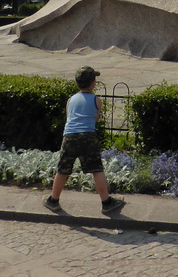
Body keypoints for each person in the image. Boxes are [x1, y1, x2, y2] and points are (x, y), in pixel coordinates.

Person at [43, 65, 124, 215]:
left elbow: (69, 117)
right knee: (96, 170)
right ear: (93, 83)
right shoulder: (96, 100)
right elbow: (96, 118)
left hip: (70, 137)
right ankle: (106, 202)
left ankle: (53, 200)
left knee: (63, 170)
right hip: (88, 136)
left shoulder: (71, 100)